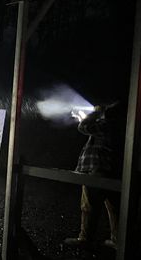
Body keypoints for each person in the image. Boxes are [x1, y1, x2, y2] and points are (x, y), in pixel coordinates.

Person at [64, 104, 120, 249]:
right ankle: (118, 240)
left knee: (89, 205)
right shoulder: (118, 127)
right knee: (114, 207)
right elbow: (87, 125)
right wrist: (81, 115)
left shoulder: (106, 124)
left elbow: (84, 127)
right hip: (112, 170)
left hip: (97, 169)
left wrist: (96, 113)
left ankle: (85, 239)